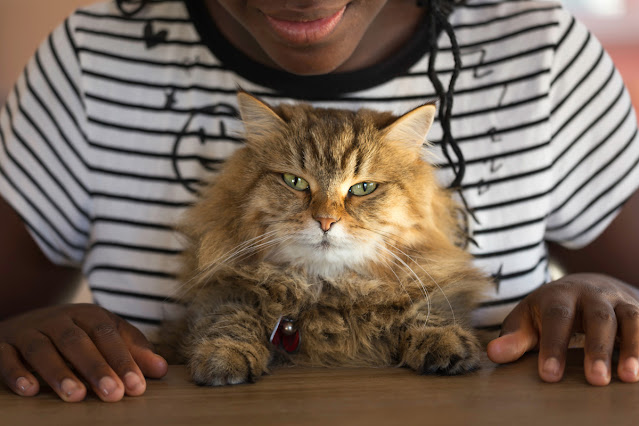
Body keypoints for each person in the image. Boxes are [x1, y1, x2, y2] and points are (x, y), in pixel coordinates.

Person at [0, 0, 637, 402]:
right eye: (299, 186)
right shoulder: (89, 57)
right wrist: (13, 335)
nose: (328, 218)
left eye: (360, 190)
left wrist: (608, 293)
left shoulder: (546, 48)